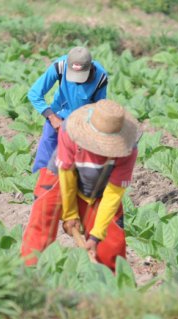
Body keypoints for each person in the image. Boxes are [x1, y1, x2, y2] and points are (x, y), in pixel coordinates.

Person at [21, 100, 139, 270]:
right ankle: (27, 275)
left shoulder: (128, 150)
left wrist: (95, 237)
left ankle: (111, 288)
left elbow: (113, 194)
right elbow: (66, 175)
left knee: (111, 244)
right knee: (42, 223)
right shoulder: (70, 131)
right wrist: (70, 214)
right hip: (59, 178)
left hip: (98, 188)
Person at [21, 46, 109, 263]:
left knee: (74, 172)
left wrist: (81, 129)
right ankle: (42, 208)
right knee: (46, 168)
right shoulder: (60, 66)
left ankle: (72, 214)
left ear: (90, 69)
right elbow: (34, 93)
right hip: (56, 121)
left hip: (80, 128)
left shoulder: (100, 78)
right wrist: (52, 118)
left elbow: (99, 108)